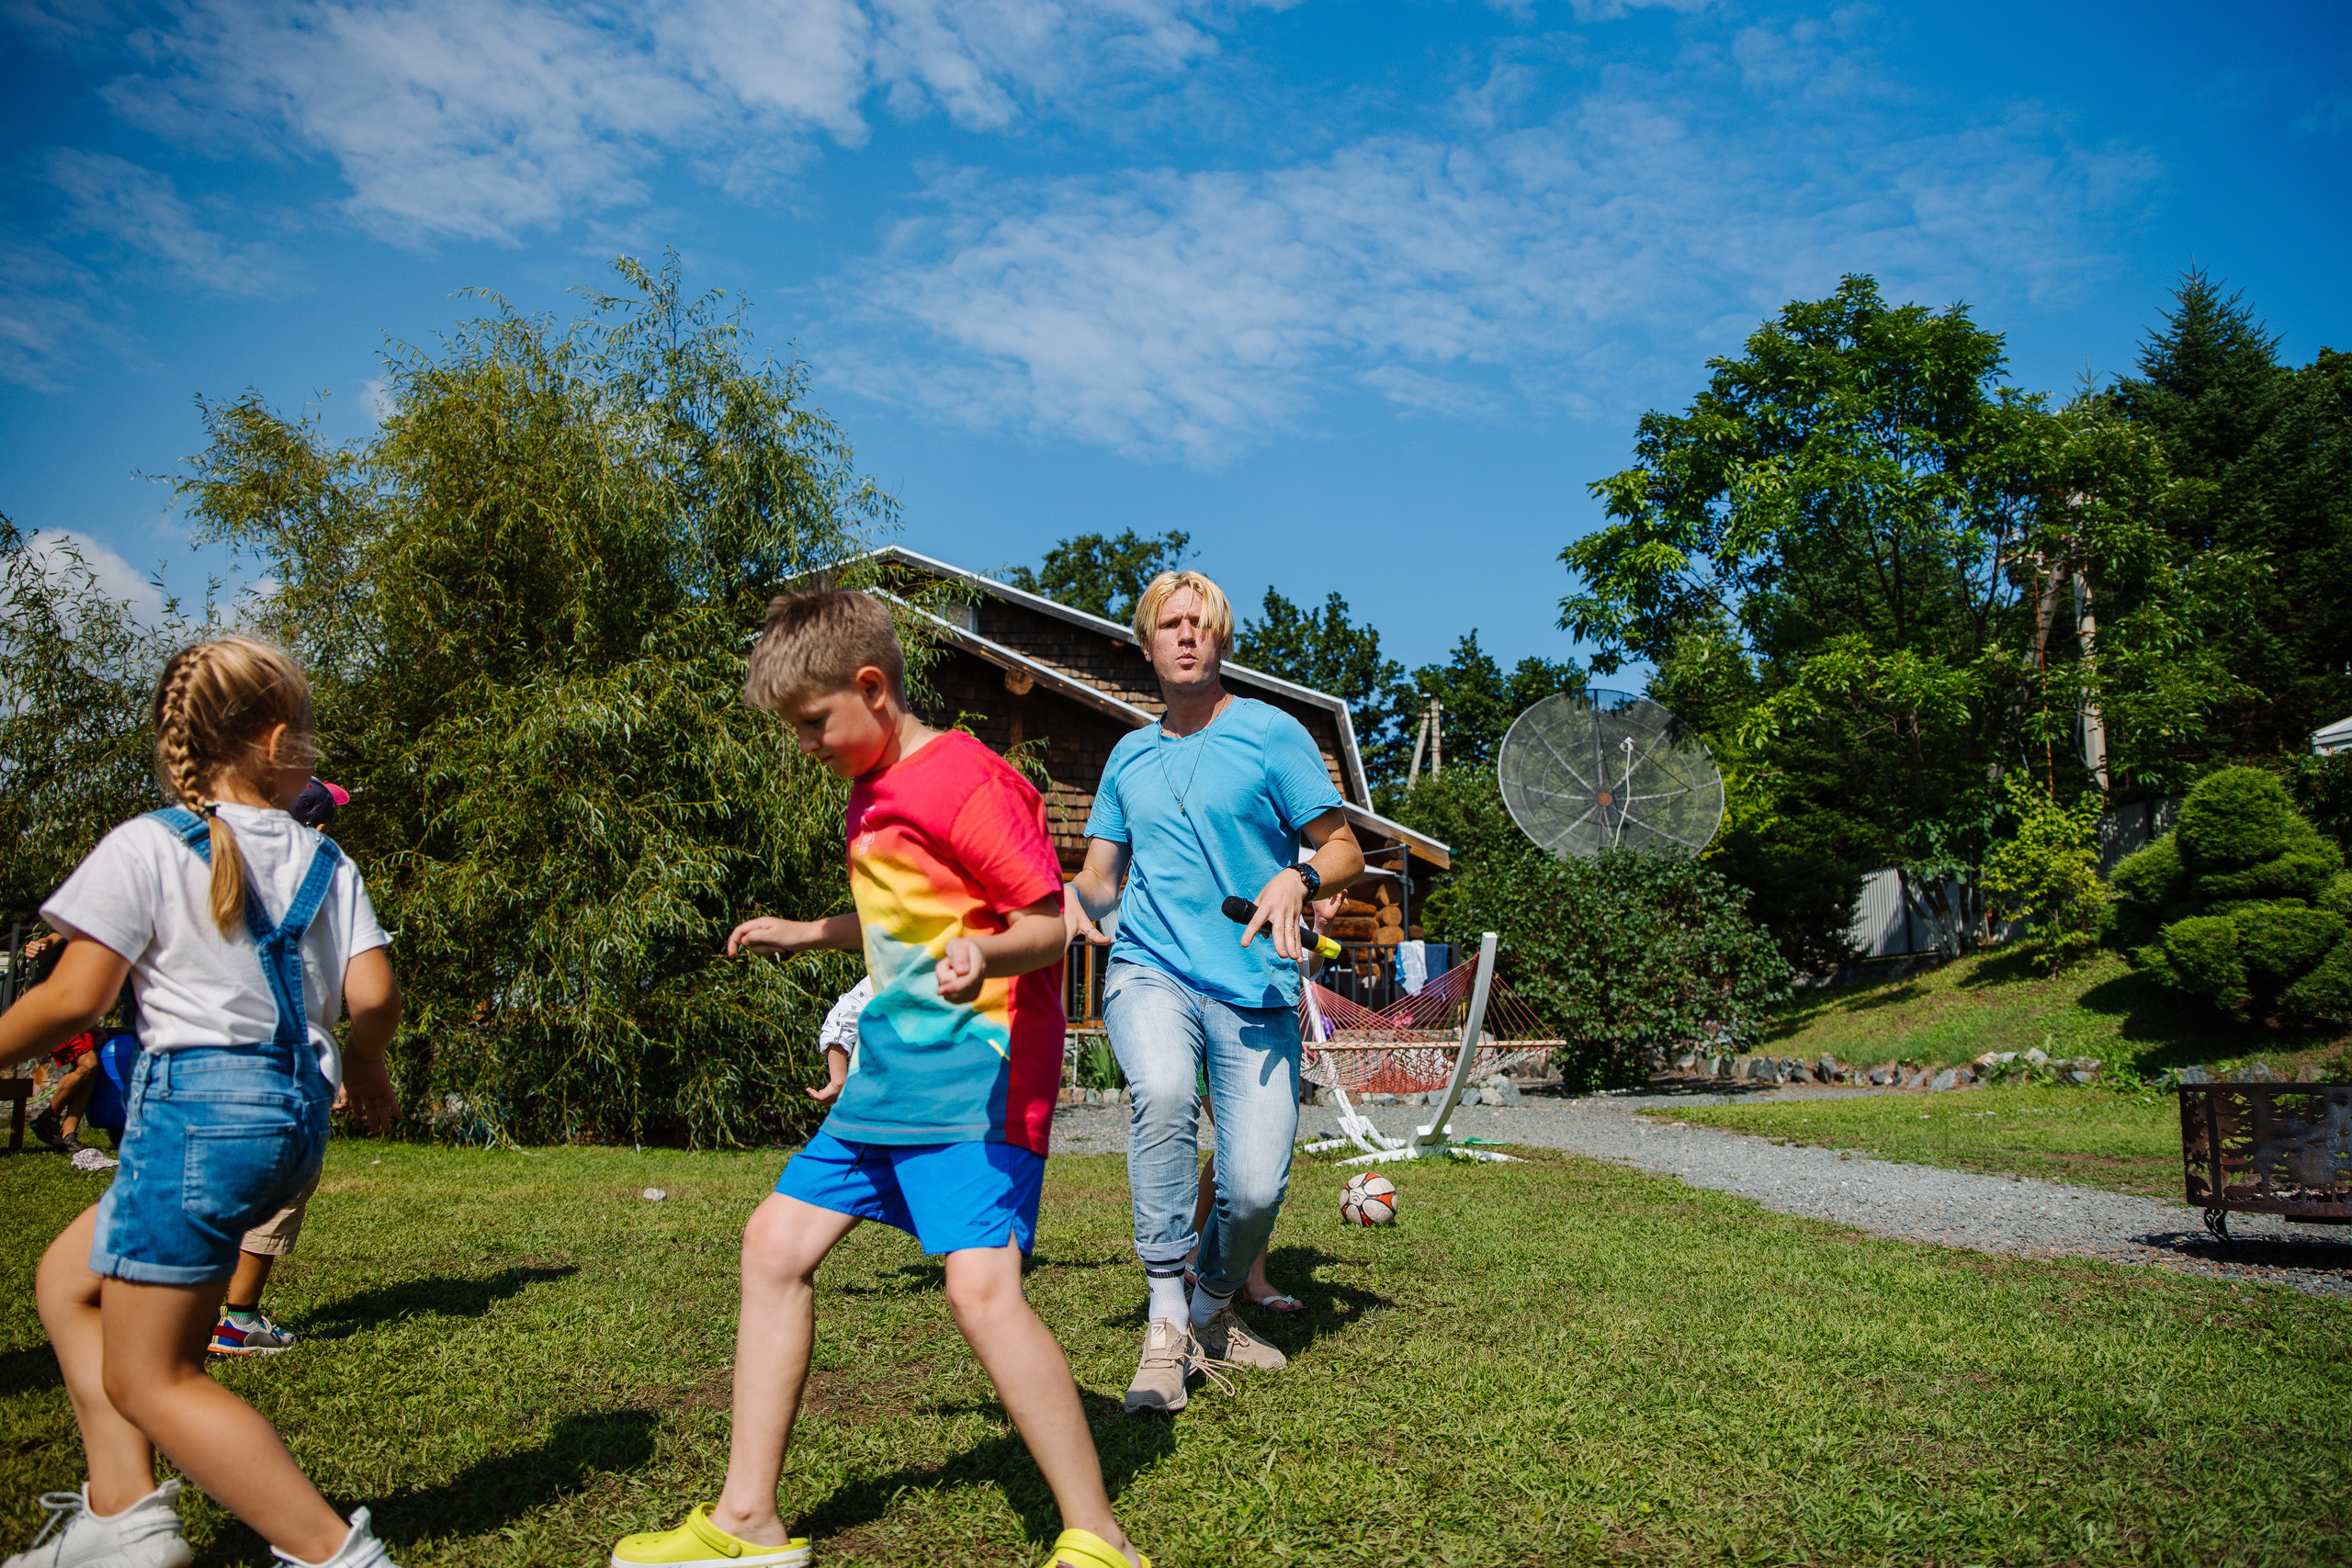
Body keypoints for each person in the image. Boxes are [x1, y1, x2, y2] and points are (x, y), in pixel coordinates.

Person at [610, 588, 1148, 1568]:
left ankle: (1097, 1536)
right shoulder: (870, 791)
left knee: (980, 1293)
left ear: (873, 688)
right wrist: (808, 931)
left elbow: (1044, 921)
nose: (807, 745)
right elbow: (910, 913)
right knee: (774, 1244)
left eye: (814, 723)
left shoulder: (968, 783)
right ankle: (747, 1523)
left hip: (973, 1081)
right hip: (889, 1073)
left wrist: (988, 959)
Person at [0, 637, 403, 1568]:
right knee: (68, 1283)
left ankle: (331, 1554)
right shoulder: (323, 860)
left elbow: (74, 998)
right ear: (274, 741)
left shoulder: (146, 845)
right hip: (286, 1121)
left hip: (196, 1118)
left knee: (153, 1377)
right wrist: (371, 1069)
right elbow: (374, 997)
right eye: (306, 728)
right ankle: (121, 1513)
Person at [1064, 569, 1363, 1415]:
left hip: (1254, 986)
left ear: (1222, 640)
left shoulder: (1273, 736)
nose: (1186, 635)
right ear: (1146, 643)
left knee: (1256, 1188)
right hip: (1150, 967)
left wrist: (1298, 877)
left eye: (1201, 623)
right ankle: (1165, 1319)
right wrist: (1065, 905)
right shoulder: (1129, 754)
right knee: (1159, 1092)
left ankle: (1212, 1310)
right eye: (1170, 624)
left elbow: (1344, 850)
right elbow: (1099, 876)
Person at [208, 775, 355, 1360]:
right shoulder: (321, 879)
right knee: (280, 1185)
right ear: (311, 825)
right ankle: (238, 1321)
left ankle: (171, 1312)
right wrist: (350, 1065)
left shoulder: (212, 869)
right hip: (282, 1063)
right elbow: (360, 990)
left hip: (203, 1058)